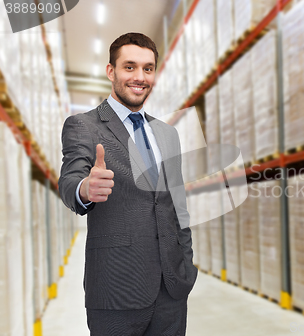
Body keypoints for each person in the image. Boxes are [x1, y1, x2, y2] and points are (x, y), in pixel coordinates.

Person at [58, 32, 197, 336]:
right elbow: (70, 180)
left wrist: (186, 266)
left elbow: (177, 205)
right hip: (116, 289)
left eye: (148, 68)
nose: (140, 76)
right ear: (111, 72)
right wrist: (85, 189)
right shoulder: (84, 125)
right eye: (130, 66)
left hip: (171, 290)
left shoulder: (167, 134)